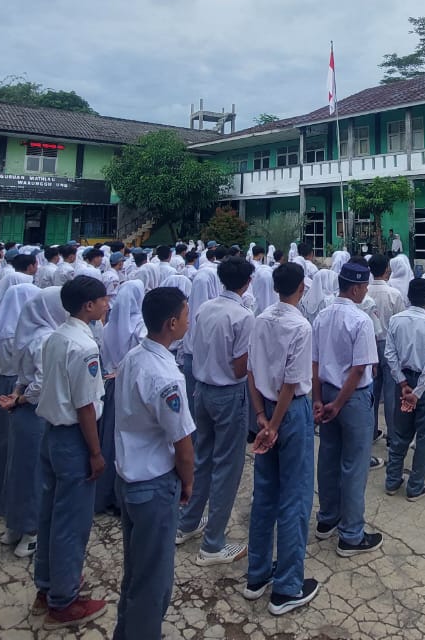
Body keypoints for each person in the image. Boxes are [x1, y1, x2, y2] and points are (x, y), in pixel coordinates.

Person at [111, 286, 196, 640]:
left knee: (136, 571)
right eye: (186, 317)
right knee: (153, 580)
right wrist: (187, 482)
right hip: (155, 483)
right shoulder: (167, 377)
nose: (189, 323)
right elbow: (182, 444)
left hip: (129, 479)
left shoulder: (134, 357)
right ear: (172, 323)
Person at [32, 275, 112, 630]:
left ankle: (48, 584)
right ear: (88, 306)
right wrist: (95, 452)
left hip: (53, 434)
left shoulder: (57, 337)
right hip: (75, 438)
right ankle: (63, 602)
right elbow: (84, 405)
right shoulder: (84, 347)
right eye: (102, 301)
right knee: (71, 523)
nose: (107, 305)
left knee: (51, 515)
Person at [244, 261, 319, 615]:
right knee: (295, 496)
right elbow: (292, 382)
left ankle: (257, 575)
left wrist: (260, 417)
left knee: (265, 493)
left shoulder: (260, 319)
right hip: (290, 413)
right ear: (301, 288)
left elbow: (252, 371)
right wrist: (274, 423)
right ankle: (287, 586)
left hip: (265, 408)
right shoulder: (300, 326)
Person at [176, 257, 253, 565]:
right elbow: (238, 368)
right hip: (228, 393)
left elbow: (191, 350)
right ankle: (213, 544)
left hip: (202, 389)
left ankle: (188, 522)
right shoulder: (243, 316)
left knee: (203, 458)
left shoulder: (204, 308)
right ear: (246, 283)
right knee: (227, 468)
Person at [312, 258, 382, 557]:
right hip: (350, 398)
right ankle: (351, 534)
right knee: (354, 463)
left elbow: (314, 364)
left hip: (326, 391)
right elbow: (358, 369)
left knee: (328, 456)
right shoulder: (360, 320)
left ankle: (328, 518)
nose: (366, 290)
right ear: (355, 288)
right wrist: (339, 404)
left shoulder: (322, 316)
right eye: (364, 286)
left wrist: (319, 400)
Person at [0, 285, 58, 559]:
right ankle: (31, 531)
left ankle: (14, 524)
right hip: (37, 411)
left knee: (19, 468)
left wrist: (17, 395)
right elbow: (42, 383)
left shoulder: (27, 334)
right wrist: (22, 399)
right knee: (35, 472)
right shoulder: (47, 339)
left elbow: (24, 376)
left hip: (23, 408)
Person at [383, 278, 425, 500]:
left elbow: (390, 354)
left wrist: (402, 383)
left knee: (400, 433)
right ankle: (415, 486)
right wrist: (417, 392)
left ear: (408, 296)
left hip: (403, 382)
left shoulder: (396, 321)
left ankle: (392, 480)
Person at [94, 278, 146, 516]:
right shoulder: (139, 328)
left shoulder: (106, 328)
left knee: (110, 438)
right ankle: (120, 496)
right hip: (130, 387)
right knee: (128, 440)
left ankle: (103, 492)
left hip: (109, 385)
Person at [365, 254, 407, 443]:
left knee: (371, 389)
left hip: (369, 345)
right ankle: (392, 433)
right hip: (389, 344)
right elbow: (399, 322)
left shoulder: (363, 292)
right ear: (386, 270)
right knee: (391, 392)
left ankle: (371, 430)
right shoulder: (394, 294)